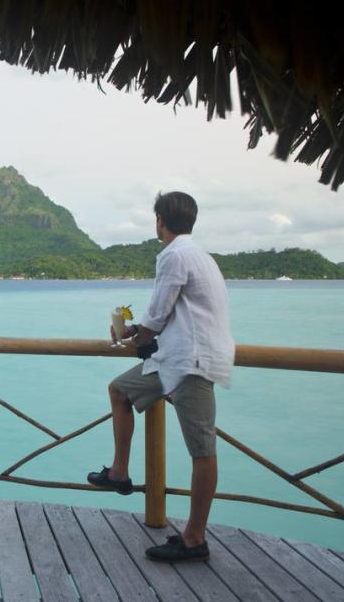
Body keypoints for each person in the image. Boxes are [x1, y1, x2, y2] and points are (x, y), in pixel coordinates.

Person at [87, 191, 234, 562]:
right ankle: (120, 472)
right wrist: (140, 331)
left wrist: (131, 333)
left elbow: (159, 311)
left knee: (202, 450)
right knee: (120, 390)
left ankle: (194, 538)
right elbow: (168, 315)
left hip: (192, 363)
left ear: (160, 221)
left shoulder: (173, 255)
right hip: (173, 358)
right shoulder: (200, 255)